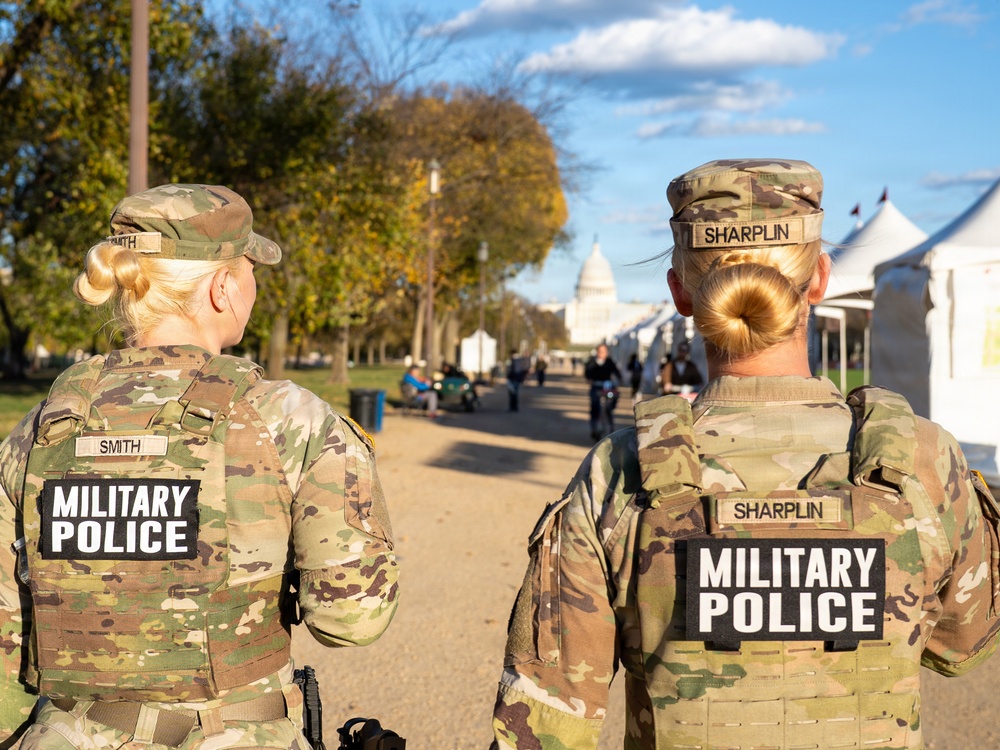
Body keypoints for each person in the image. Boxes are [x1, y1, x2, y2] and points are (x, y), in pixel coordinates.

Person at [490, 159, 1000, 749]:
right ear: (820, 280)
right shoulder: (924, 459)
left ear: (680, 292)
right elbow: (960, 644)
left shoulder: (622, 471)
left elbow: (547, 724)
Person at [0, 184, 400, 749]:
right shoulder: (291, 421)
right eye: (249, 270)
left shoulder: (40, 428)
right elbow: (352, 619)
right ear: (222, 287)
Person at [583, 343, 622, 440]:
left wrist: (619, 379)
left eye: (603, 351)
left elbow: (617, 372)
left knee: (609, 406)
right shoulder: (592, 361)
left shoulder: (610, 362)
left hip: (608, 387)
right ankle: (594, 428)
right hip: (596, 387)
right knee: (595, 407)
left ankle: (610, 427)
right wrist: (589, 379)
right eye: (600, 351)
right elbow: (587, 373)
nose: (601, 353)